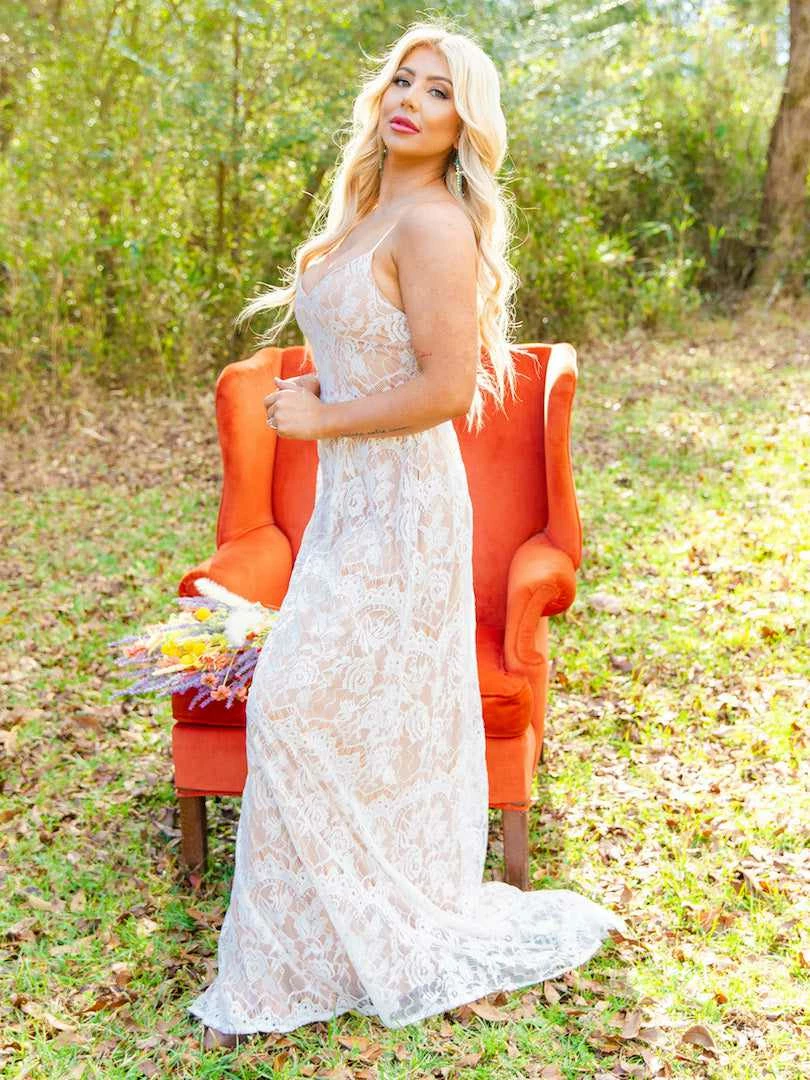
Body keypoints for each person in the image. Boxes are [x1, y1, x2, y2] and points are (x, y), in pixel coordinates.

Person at [188, 19, 629, 1050]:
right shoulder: (365, 212)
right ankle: (327, 943)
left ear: (463, 126)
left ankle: (357, 932)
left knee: (294, 702)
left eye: (439, 93)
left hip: (404, 504)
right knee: (342, 709)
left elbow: (444, 388)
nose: (412, 101)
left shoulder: (435, 225)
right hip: (351, 501)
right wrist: (321, 400)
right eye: (404, 79)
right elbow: (366, 345)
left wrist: (320, 418)